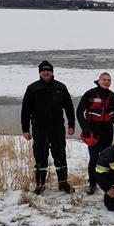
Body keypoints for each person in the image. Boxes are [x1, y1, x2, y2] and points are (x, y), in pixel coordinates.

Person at [21, 60, 75, 194]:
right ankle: (40, 185)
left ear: (52, 71)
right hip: (39, 129)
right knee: (40, 157)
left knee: (60, 156)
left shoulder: (60, 87)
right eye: (43, 70)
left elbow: (69, 107)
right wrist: (25, 129)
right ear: (40, 72)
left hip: (57, 128)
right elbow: (25, 110)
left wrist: (71, 124)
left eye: (48, 70)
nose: (46, 72)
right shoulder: (32, 88)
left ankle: (63, 184)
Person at [76, 72, 114, 195]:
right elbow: (79, 111)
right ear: (99, 81)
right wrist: (85, 128)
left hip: (107, 130)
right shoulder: (90, 94)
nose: (106, 82)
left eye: (108, 80)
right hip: (93, 130)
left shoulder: (111, 96)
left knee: (107, 157)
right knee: (94, 158)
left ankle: (106, 181)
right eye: (104, 80)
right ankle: (92, 183)